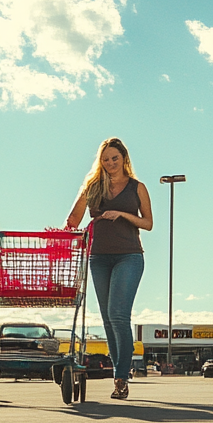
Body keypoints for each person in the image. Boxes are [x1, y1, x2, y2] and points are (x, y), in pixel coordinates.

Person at [66, 138, 153, 400]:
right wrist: (72, 227)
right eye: (105, 159)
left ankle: (121, 376)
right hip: (99, 257)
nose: (110, 163)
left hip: (129, 256)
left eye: (114, 158)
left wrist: (122, 214)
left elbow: (148, 223)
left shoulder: (137, 187)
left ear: (124, 158)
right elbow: (72, 220)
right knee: (107, 319)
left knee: (118, 315)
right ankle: (120, 374)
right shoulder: (94, 187)